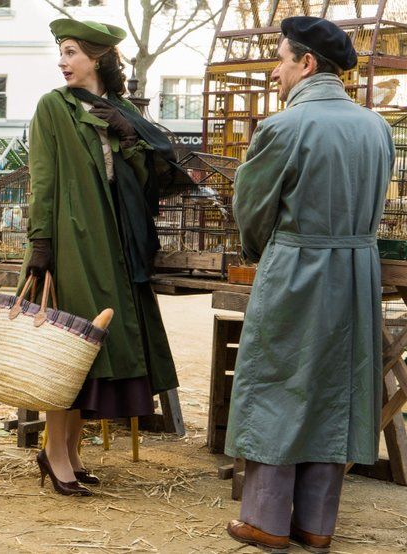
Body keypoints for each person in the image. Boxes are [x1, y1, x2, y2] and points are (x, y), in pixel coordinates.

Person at [224, 16, 395, 553]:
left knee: (279, 382)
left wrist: (261, 252)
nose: (274, 73)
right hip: (358, 271)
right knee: (336, 386)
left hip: (298, 267)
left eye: (280, 60)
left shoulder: (284, 127)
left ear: (307, 63)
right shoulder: (377, 128)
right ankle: (317, 524)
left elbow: (252, 209)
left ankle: (267, 521)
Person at [22, 18, 190, 496]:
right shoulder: (53, 107)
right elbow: (43, 177)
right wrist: (41, 241)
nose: (62, 61)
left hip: (116, 240)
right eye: (61, 52)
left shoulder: (119, 109)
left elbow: (147, 178)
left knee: (95, 350)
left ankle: (71, 452)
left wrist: (132, 138)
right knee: (69, 348)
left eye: (71, 52)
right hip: (73, 240)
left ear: (96, 59)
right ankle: (54, 454)